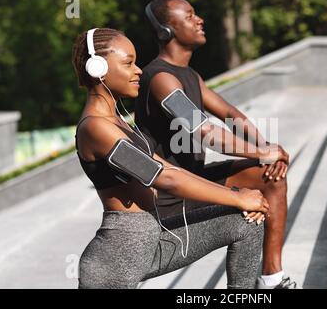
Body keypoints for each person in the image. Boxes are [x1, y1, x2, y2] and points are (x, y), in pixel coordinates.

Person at [72, 27, 270, 289]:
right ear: (98, 69)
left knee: (245, 223)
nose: (138, 70)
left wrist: (238, 195)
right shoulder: (95, 128)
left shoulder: (118, 121)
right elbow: (163, 177)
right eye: (128, 63)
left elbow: (170, 169)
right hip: (116, 259)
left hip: (156, 243)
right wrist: (237, 196)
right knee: (242, 208)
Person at [135, 0, 296, 289]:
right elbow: (203, 130)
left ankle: (272, 280)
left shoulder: (190, 75)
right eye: (190, 16)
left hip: (195, 181)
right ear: (166, 32)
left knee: (271, 178)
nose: (200, 20)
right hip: (170, 196)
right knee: (258, 188)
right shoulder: (159, 78)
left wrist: (267, 152)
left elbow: (231, 114)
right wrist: (263, 152)